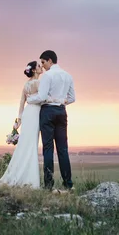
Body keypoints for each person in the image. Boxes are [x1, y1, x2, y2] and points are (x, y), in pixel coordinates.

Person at [26, 50, 75, 191]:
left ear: (50, 61)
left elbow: (41, 96)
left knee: (48, 148)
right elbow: (72, 98)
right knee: (63, 149)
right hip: (61, 112)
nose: (43, 65)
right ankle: (68, 183)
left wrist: (29, 99)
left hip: (47, 112)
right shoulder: (68, 76)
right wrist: (60, 101)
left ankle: (48, 185)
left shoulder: (47, 76)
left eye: (43, 62)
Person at [0, 61, 43, 188]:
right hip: (35, 113)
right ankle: (29, 179)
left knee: (24, 144)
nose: (41, 67)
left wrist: (19, 119)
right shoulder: (38, 83)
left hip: (27, 113)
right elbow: (44, 98)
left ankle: (18, 174)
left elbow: (22, 102)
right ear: (33, 70)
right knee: (31, 144)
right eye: (38, 66)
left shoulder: (26, 85)